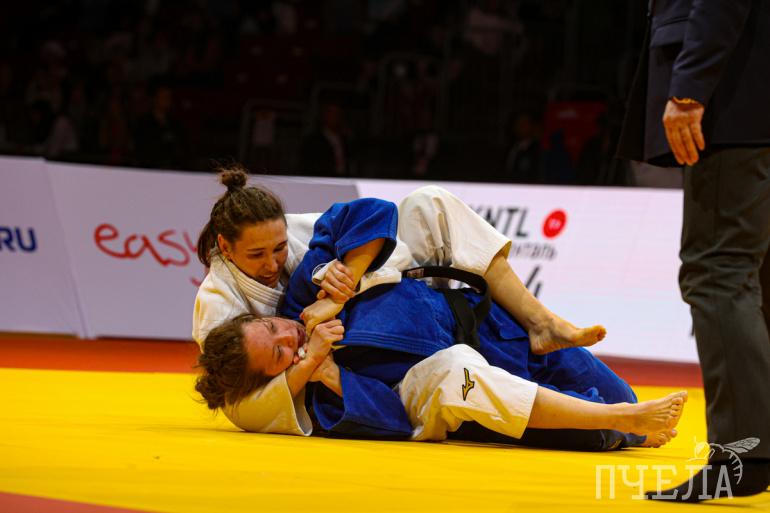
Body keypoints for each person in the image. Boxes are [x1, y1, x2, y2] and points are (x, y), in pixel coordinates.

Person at [196, 197, 687, 448]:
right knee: (460, 376)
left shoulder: (304, 288)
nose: (288, 336)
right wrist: (323, 371)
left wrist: (341, 282)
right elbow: (394, 419)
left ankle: (543, 324)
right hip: (462, 374)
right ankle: (614, 421)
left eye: (273, 329)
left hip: (485, 324)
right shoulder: (315, 388)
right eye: (279, 353)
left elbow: (373, 212)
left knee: (427, 202)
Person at [617, 0, 770, 501]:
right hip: (751, 95)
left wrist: (689, 87)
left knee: (719, 271)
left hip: (733, 102)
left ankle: (741, 460)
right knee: (752, 276)